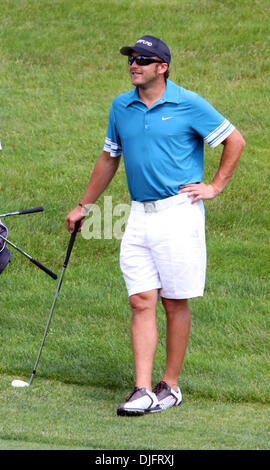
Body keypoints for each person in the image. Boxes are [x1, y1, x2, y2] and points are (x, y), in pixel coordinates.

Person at [65, 35, 246, 416]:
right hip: (138, 216)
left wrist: (214, 186)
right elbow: (109, 158)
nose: (134, 65)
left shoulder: (187, 102)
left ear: (162, 67)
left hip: (179, 212)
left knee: (173, 301)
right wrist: (85, 205)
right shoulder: (121, 106)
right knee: (140, 299)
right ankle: (142, 389)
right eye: (131, 59)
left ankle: (171, 385)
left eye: (143, 60)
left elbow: (234, 140)